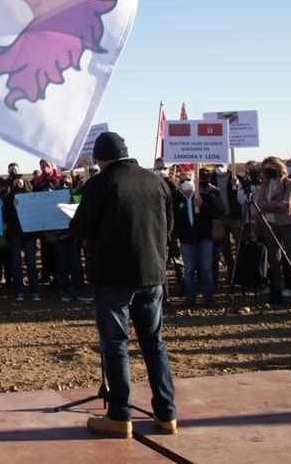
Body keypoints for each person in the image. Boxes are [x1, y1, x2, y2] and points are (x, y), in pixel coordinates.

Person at [69, 132, 177, 438]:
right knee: (154, 343)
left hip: (113, 276)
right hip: (152, 273)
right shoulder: (157, 181)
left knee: (116, 345)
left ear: (101, 159)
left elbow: (80, 228)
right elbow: (168, 227)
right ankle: (167, 414)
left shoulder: (101, 184)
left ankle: (119, 415)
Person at [253, 157, 291, 306]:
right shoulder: (266, 184)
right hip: (270, 223)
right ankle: (277, 292)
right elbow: (259, 203)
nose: (269, 170)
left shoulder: (289, 182)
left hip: (288, 222)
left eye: (271, 167)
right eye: (266, 167)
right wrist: (273, 205)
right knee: (274, 258)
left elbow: (286, 202)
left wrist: (269, 205)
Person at [172, 178, 224, 306]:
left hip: (204, 239)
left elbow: (218, 211)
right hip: (186, 241)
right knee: (189, 270)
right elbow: (173, 218)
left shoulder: (204, 197)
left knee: (206, 269)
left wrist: (203, 205)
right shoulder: (177, 200)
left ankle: (208, 297)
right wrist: (179, 232)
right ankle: (191, 297)